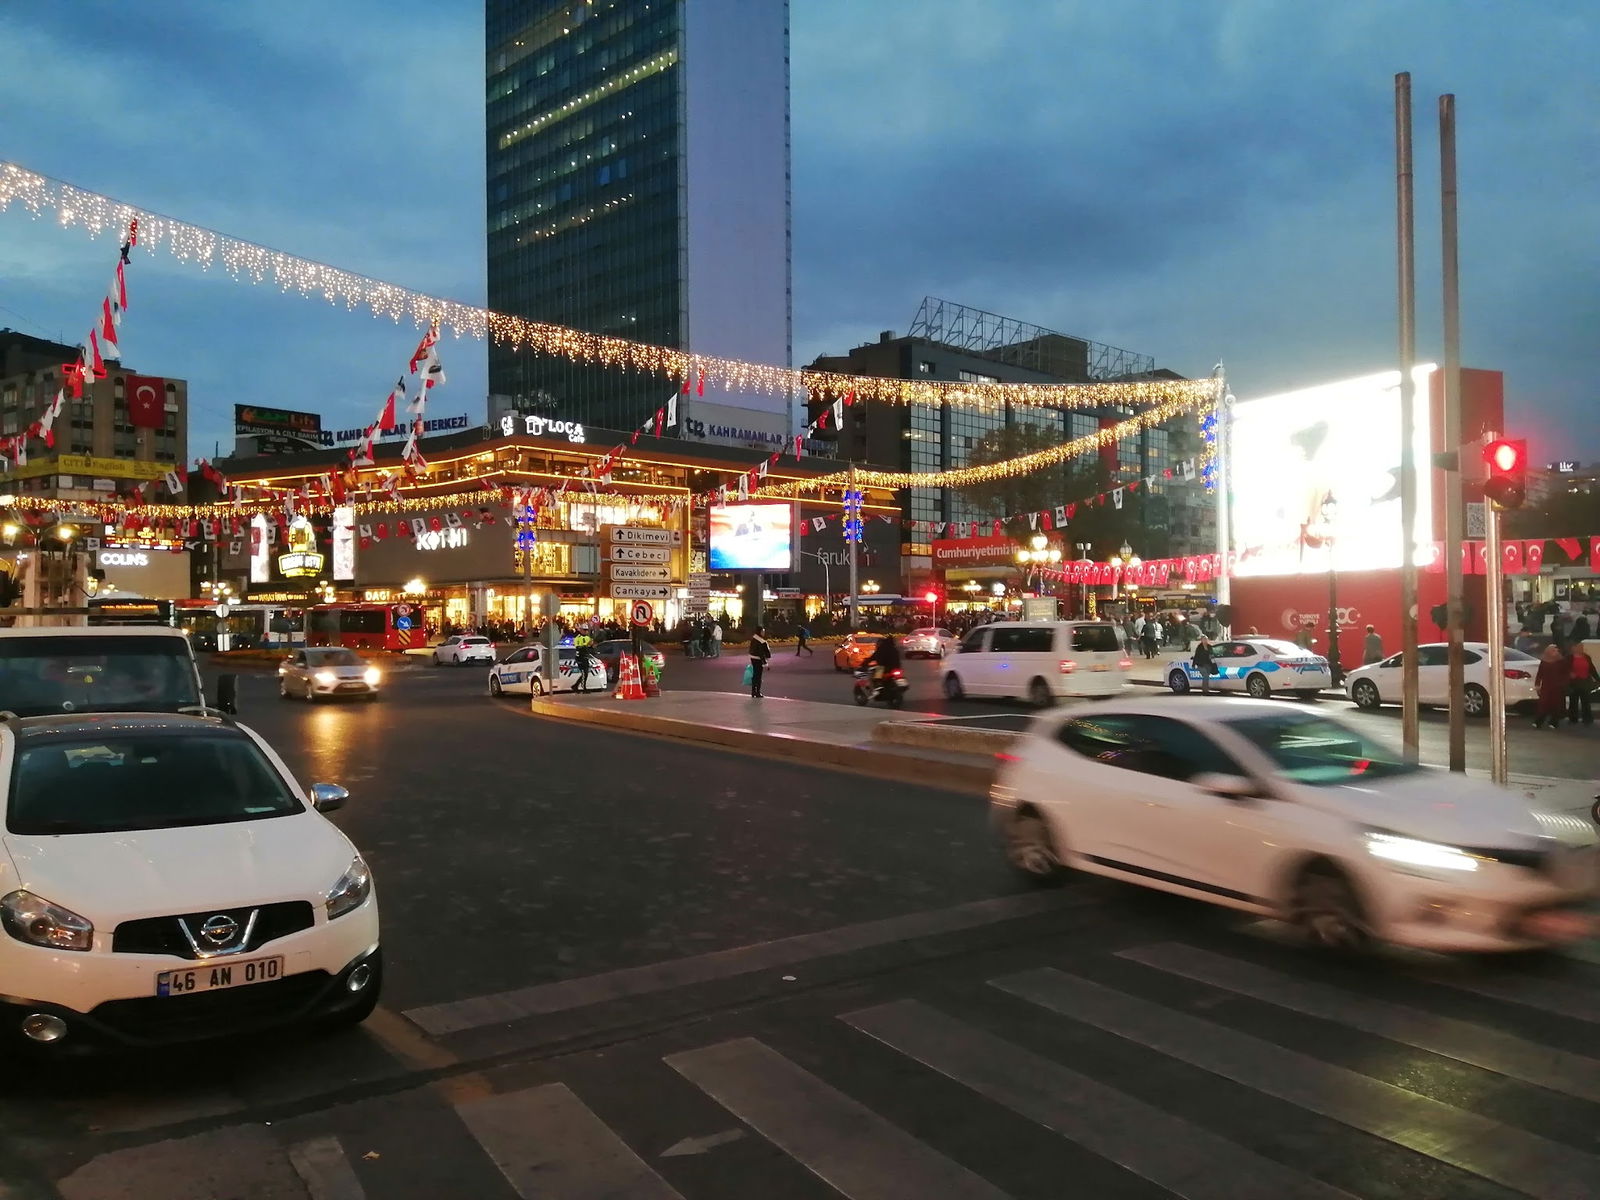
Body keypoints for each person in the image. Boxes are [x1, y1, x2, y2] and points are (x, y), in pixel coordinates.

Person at [1533, 644, 1570, 729]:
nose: (1556, 652)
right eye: (1553, 650)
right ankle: (1538, 721)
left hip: (1557, 686)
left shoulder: (1561, 661)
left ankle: (1554, 722)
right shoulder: (1544, 661)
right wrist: (1537, 684)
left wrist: (1563, 683)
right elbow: (1540, 673)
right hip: (1546, 686)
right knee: (1543, 704)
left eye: (1556, 651)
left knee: (1556, 704)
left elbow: (1565, 673)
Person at [1567, 642, 1595, 726]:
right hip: (1574, 683)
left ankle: (1587, 718)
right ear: (1574, 648)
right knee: (1573, 701)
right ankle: (1573, 718)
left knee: (1586, 701)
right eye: (1579, 647)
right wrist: (1569, 674)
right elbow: (1564, 669)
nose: (1581, 648)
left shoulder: (1586, 657)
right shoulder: (1569, 658)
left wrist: (1597, 679)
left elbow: (1592, 669)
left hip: (1585, 682)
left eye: (1582, 647)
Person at [748, 625, 772, 698]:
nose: (763, 632)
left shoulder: (754, 639)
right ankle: (757, 692)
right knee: (758, 676)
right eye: (762, 631)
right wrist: (765, 663)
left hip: (753, 658)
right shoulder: (761, 641)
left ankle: (753, 691)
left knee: (755, 675)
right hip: (758, 659)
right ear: (760, 632)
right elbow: (761, 653)